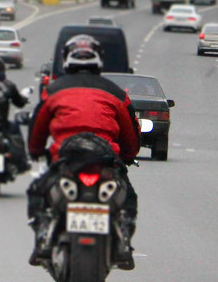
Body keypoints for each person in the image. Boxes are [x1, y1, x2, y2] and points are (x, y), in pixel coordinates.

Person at [26, 35, 140, 269]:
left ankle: (43, 239)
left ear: (67, 60)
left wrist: (36, 150)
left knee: (38, 192)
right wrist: (128, 156)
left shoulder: (54, 90)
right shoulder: (116, 93)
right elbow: (131, 136)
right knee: (128, 198)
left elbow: (37, 129)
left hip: (66, 160)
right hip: (105, 160)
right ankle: (124, 241)